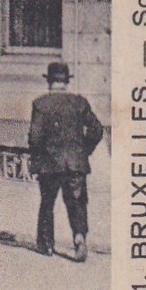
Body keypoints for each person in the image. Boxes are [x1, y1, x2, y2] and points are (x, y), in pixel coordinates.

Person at [28, 61, 105, 262]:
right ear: (66, 82)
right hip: (75, 163)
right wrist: (84, 151)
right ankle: (79, 238)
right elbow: (97, 129)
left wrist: (36, 161)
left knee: (47, 203)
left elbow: (34, 137)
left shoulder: (40, 104)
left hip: (49, 164)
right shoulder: (79, 103)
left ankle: (46, 245)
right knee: (77, 202)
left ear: (49, 82)